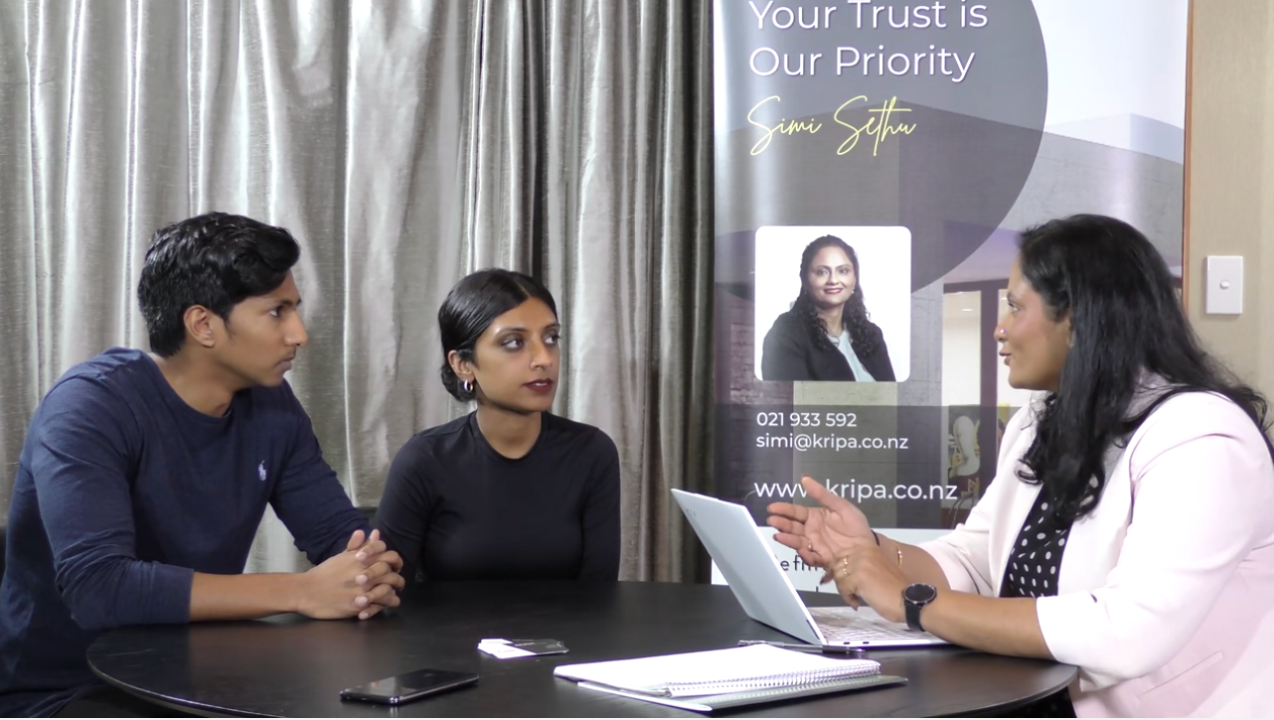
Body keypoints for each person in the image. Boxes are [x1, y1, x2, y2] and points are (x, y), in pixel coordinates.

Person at [768, 215, 1274, 717]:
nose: (999, 328)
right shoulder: (1039, 418)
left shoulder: (1204, 439)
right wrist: (871, 549)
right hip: (1026, 696)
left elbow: (1128, 629)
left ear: (1078, 320)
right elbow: (974, 561)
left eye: (1015, 306)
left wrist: (913, 602)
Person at [0, 213, 405, 718]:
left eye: (295, 309)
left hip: (200, 677)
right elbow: (98, 589)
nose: (299, 334)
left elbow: (342, 539)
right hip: (70, 692)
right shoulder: (90, 406)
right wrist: (301, 590)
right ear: (203, 325)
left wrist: (369, 572)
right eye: (277, 312)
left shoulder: (273, 406)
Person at [376, 269, 621, 587]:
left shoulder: (591, 453)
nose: (543, 358)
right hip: (446, 637)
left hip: (565, 638)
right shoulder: (424, 460)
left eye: (551, 338)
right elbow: (389, 593)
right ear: (463, 364)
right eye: (514, 342)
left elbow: (599, 597)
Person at [761, 235, 895, 382]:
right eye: (822, 272)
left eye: (843, 271)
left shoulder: (871, 334)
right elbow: (789, 401)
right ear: (804, 279)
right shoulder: (787, 332)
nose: (833, 280)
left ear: (855, 279)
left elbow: (893, 397)